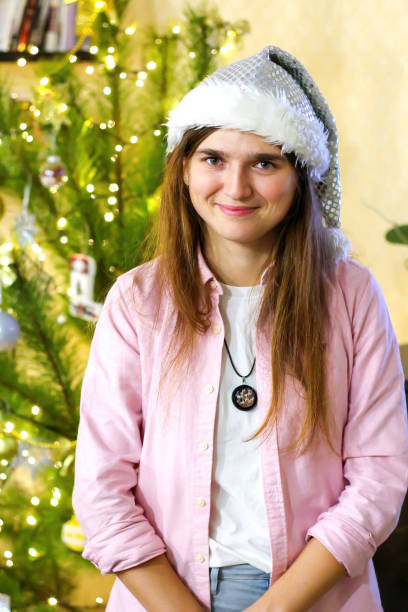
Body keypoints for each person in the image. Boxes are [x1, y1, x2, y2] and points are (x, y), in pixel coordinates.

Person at [72, 46, 408, 611]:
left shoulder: (350, 295)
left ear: (301, 176)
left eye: (265, 163)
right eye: (213, 159)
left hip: (315, 596)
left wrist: (276, 608)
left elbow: (379, 479)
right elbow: (103, 492)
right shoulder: (137, 302)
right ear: (182, 168)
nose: (235, 187)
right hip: (165, 593)